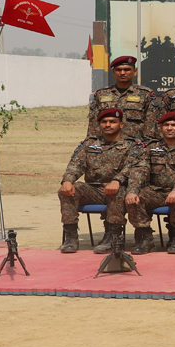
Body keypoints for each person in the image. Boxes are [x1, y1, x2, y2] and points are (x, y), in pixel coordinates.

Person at [124, 111, 175, 255]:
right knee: (135, 199)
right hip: (156, 190)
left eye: (174, 125)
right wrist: (133, 190)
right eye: (166, 125)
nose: (169, 128)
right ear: (160, 128)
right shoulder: (150, 148)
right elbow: (139, 170)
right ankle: (145, 238)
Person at [58, 108, 135, 253]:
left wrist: (117, 181)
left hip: (120, 190)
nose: (108, 125)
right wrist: (67, 180)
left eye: (113, 122)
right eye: (104, 122)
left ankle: (113, 236)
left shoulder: (132, 146)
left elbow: (132, 167)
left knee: (118, 192)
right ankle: (71, 236)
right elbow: (76, 164)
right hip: (94, 190)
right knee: (68, 190)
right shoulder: (90, 144)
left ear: (121, 125)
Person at [88, 55, 159, 143]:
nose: (122, 73)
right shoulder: (101, 94)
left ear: (135, 71)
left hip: (134, 146)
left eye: (127, 70)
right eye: (118, 70)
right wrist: (92, 142)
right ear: (113, 72)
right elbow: (94, 123)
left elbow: (151, 124)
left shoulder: (145, 94)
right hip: (107, 146)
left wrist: (147, 145)